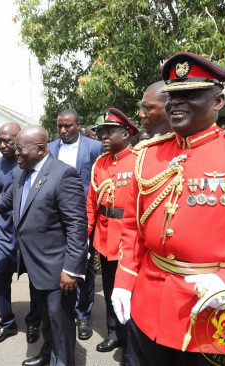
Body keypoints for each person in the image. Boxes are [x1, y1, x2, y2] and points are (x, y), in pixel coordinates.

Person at [111, 51, 225, 365]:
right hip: (148, 305)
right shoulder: (147, 154)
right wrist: (124, 281)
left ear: (218, 101)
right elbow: (133, 227)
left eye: (190, 94)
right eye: (173, 96)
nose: (177, 103)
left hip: (217, 308)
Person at [0, 125, 88, 366]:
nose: (15, 153)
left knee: (60, 324)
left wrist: (72, 269)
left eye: (20, 148)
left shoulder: (64, 175)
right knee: (47, 318)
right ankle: (47, 355)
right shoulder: (22, 173)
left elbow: (77, 227)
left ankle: (62, 361)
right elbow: (4, 200)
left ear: (41, 149)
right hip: (34, 265)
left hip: (57, 267)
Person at [88, 108, 138, 365]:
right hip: (105, 235)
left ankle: (131, 339)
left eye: (109, 131)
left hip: (131, 237)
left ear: (126, 133)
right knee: (109, 289)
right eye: (101, 132)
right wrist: (87, 234)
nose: (103, 136)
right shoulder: (101, 163)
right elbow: (91, 203)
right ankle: (113, 333)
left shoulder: (139, 159)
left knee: (130, 292)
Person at [48, 108, 104, 341]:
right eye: (60, 126)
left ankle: (83, 315)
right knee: (58, 266)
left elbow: (99, 181)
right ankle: (63, 313)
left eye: (68, 126)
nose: (63, 130)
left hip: (84, 218)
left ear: (78, 125)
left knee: (84, 267)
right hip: (55, 218)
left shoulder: (94, 148)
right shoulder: (50, 149)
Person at [0, 122, 41, 345]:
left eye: (8, 140)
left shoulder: (33, 164)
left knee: (35, 281)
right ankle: (6, 323)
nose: (2, 145)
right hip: (5, 234)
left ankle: (34, 322)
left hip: (31, 235)